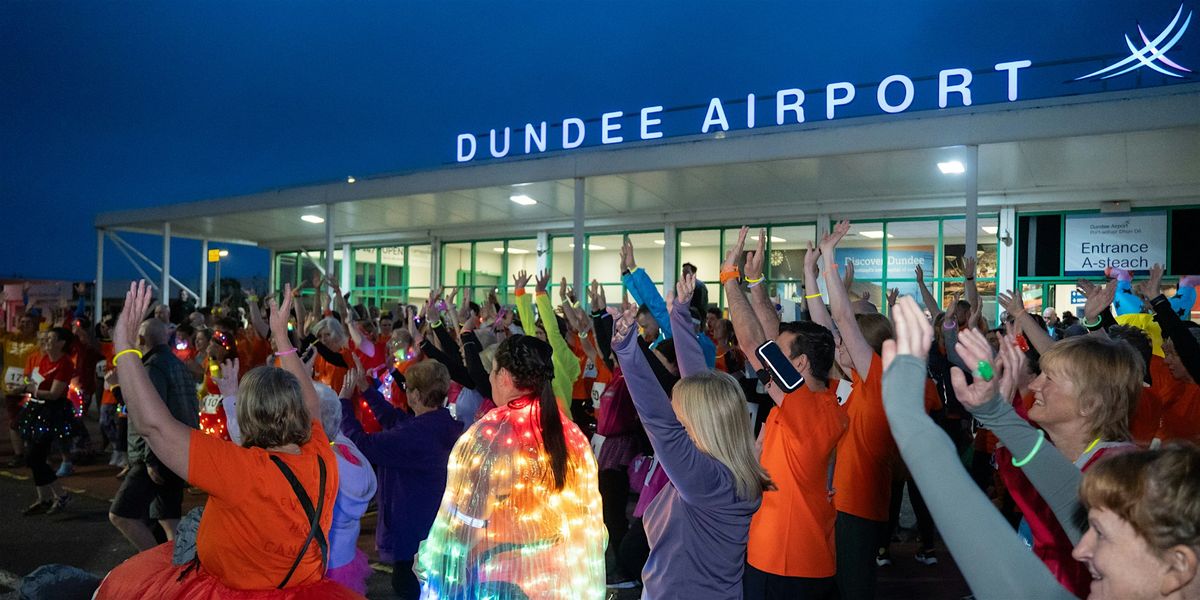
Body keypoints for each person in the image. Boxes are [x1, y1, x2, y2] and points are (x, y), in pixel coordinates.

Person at [882, 295, 1200, 599]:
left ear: (1090, 402)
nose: (1034, 384)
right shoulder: (1065, 457)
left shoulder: (1119, 473)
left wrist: (909, 418)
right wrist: (994, 411)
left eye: (1049, 378)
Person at [96, 282, 358, 599]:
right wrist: (281, 338)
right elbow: (312, 405)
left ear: (247, 418)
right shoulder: (320, 453)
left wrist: (124, 347)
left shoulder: (240, 469)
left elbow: (154, 427)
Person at [613, 271, 772, 598]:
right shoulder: (725, 471)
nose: (674, 411)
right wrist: (680, 316)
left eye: (679, 407)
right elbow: (701, 384)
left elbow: (660, 423)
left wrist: (629, 350)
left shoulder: (707, 480)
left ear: (699, 420)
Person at [415, 334, 606, 599]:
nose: (490, 378)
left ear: (504, 375)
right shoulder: (571, 434)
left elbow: (467, 521)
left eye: (492, 371)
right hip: (557, 580)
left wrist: (433, 559)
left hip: (502, 579)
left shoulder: (490, 435)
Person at [725, 227, 848, 599]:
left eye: (781, 355)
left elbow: (752, 343)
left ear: (801, 364)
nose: (773, 358)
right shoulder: (824, 401)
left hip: (785, 564)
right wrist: (755, 283)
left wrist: (730, 277)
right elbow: (771, 333)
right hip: (802, 560)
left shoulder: (802, 405)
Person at [340, 359, 463, 599]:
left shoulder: (414, 435)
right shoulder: (443, 424)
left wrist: (344, 403)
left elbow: (361, 443)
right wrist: (366, 389)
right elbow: (395, 420)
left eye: (407, 388)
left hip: (412, 536)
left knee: (407, 588)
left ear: (415, 395)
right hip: (436, 530)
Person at [109, 317, 199, 551]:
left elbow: (150, 415)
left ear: (141, 339)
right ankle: (179, 566)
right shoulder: (179, 365)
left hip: (155, 453)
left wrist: (151, 460)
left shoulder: (152, 368)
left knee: (122, 515)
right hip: (179, 449)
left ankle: (155, 564)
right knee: (168, 518)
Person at [15, 327, 76, 515]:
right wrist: (24, 386)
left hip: (51, 413)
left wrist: (30, 389)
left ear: (61, 343)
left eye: (50, 338)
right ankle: (44, 498)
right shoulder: (43, 359)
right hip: (37, 409)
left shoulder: (65, 363)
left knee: (35, 457)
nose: (46, 341)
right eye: (46, 338)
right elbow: (35, 383)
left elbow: (54, 393)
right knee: (34, 457)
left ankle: (61, 495)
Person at [3, 312, 41, 467]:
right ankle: (18, 455)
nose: (24, 325)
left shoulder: (37, 342)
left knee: (30, 421)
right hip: (11, 389)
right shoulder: (8, 339)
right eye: (21, 322)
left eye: (28, 323)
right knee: (13, 422)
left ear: (35, 326)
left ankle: (33, 452)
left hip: (29, 387)